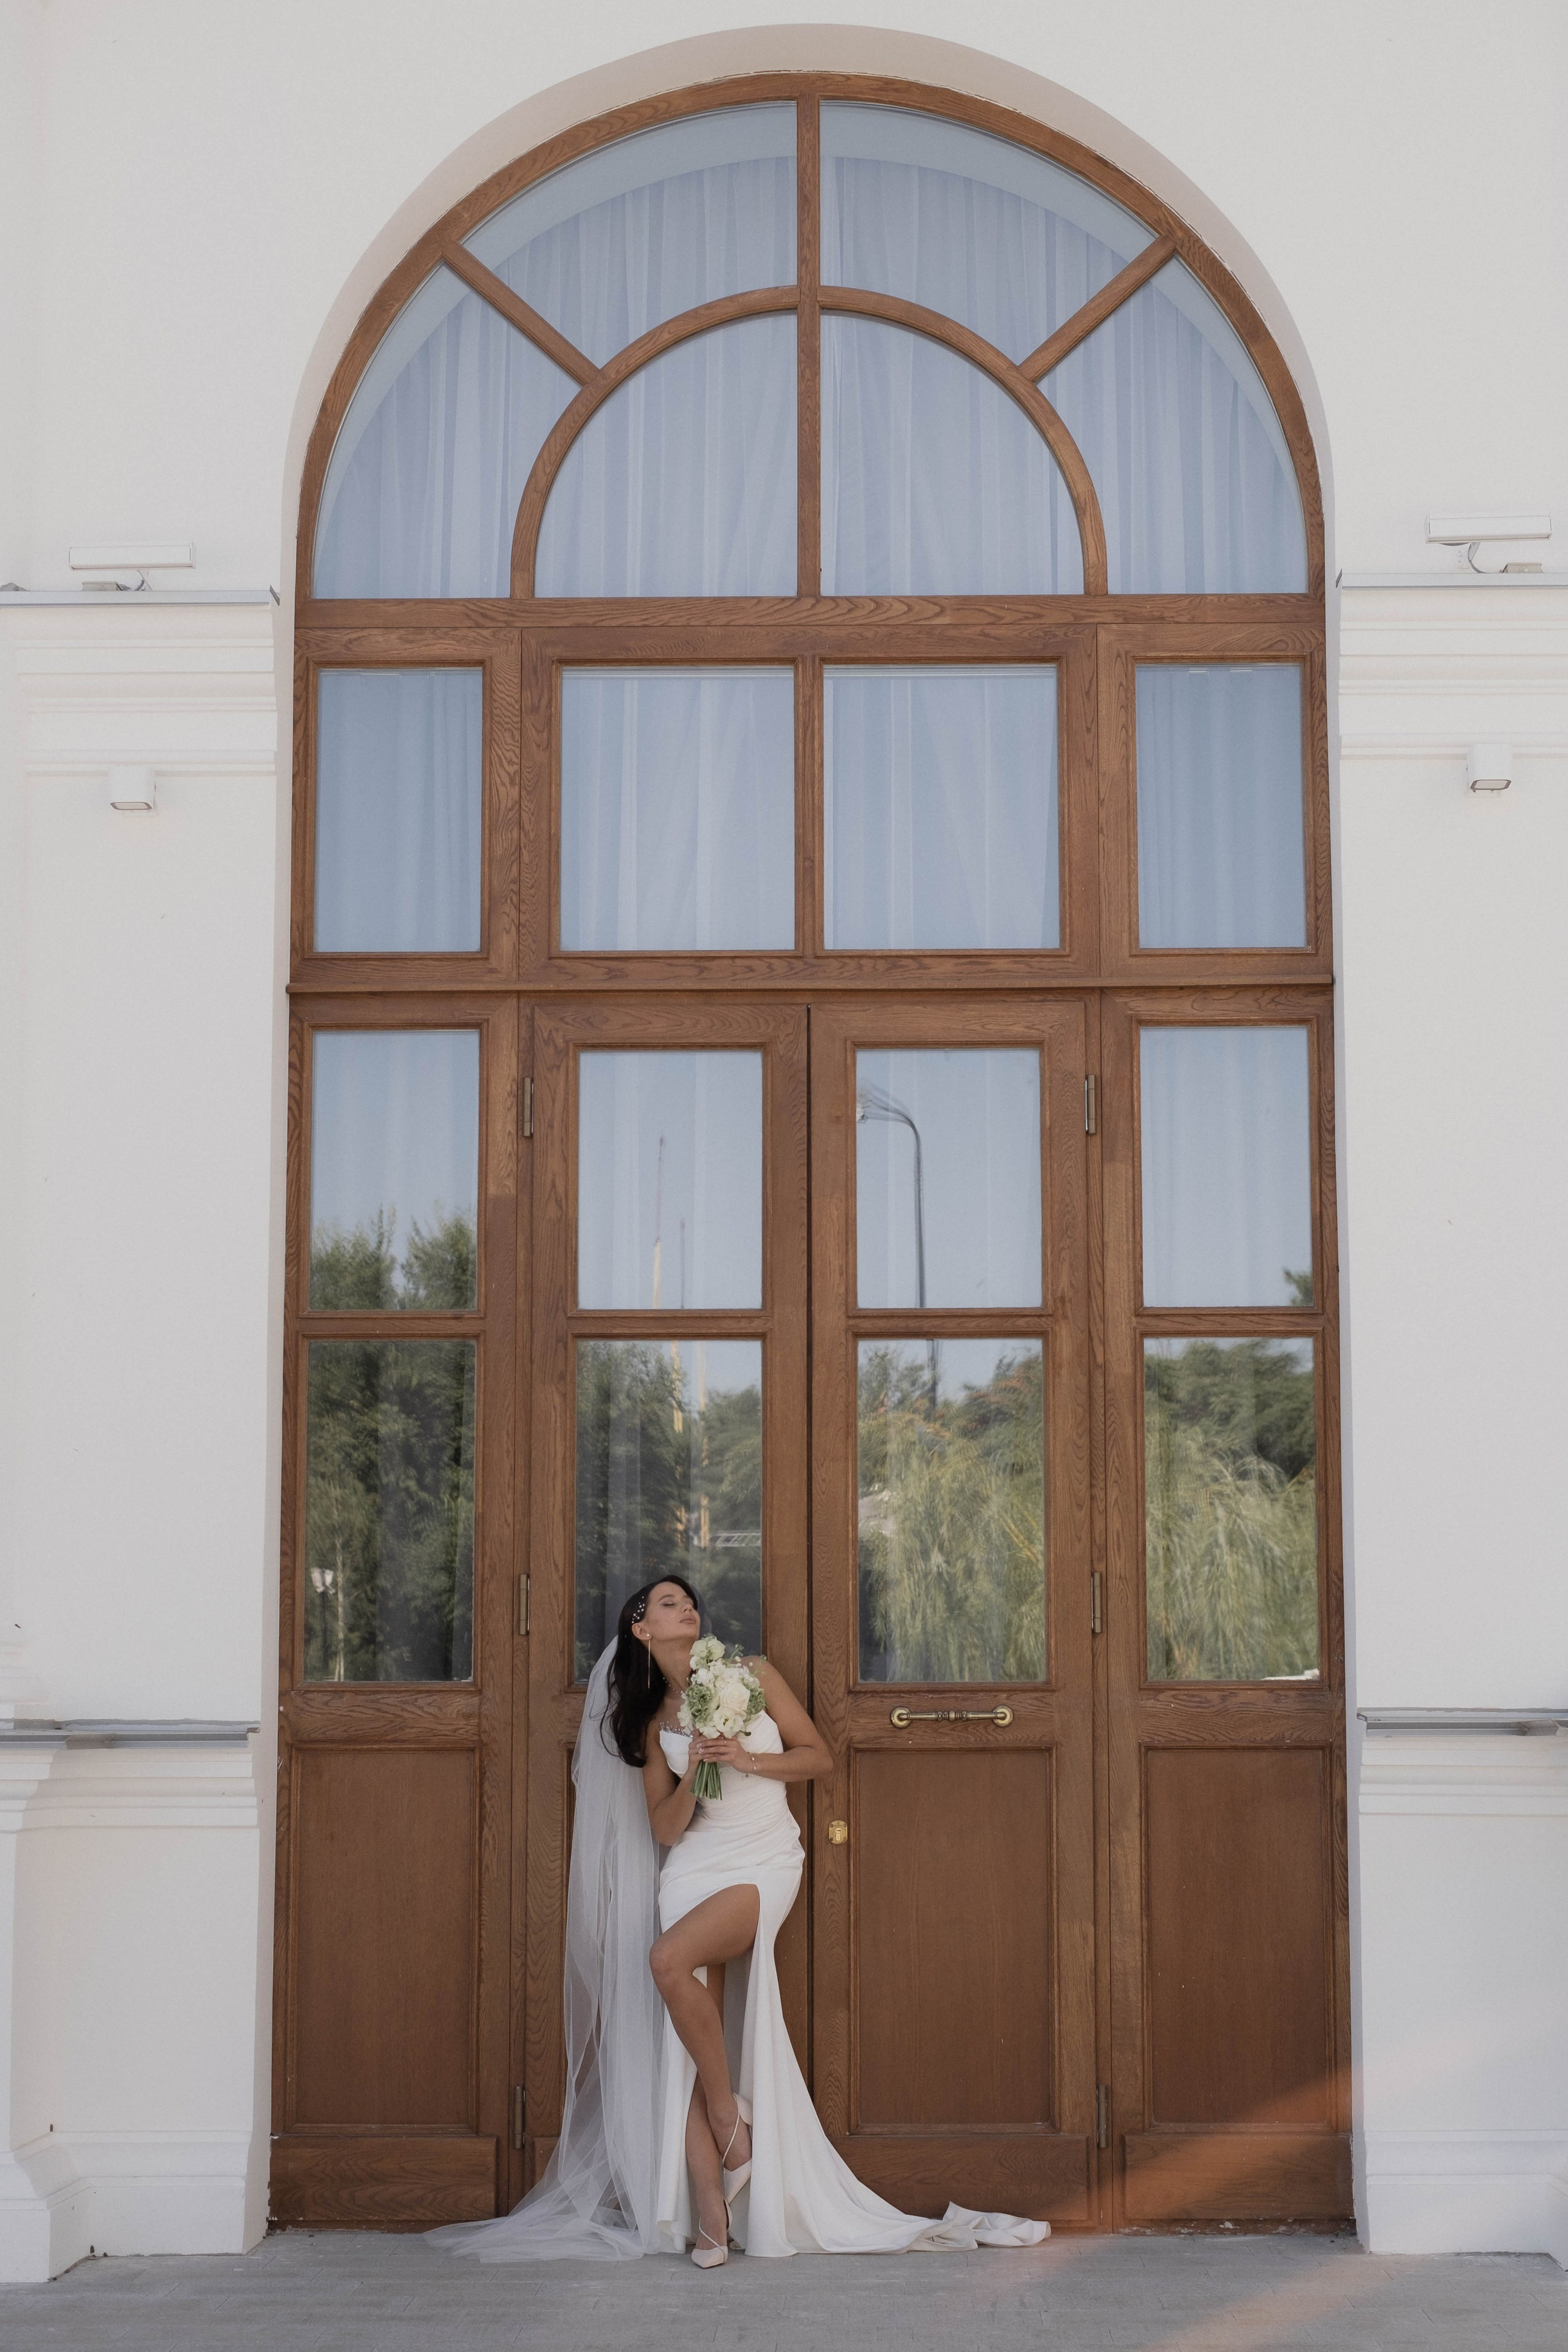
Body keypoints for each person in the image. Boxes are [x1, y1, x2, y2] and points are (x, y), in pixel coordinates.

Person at [431, 1577, 1050, 2266]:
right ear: (641, 1630)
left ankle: (730, 2118)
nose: (685, 1607)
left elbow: (818, 1756)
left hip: (762, 1859)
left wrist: (744, 1756)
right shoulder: (649, 1717)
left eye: (688, 1600)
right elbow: (665, 1832)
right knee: (683, 2049)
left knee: (666, 1962)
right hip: (693, 1865)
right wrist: (696, 1764)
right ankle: (711, 2220)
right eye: (668, 1603)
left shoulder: (749, 1674)